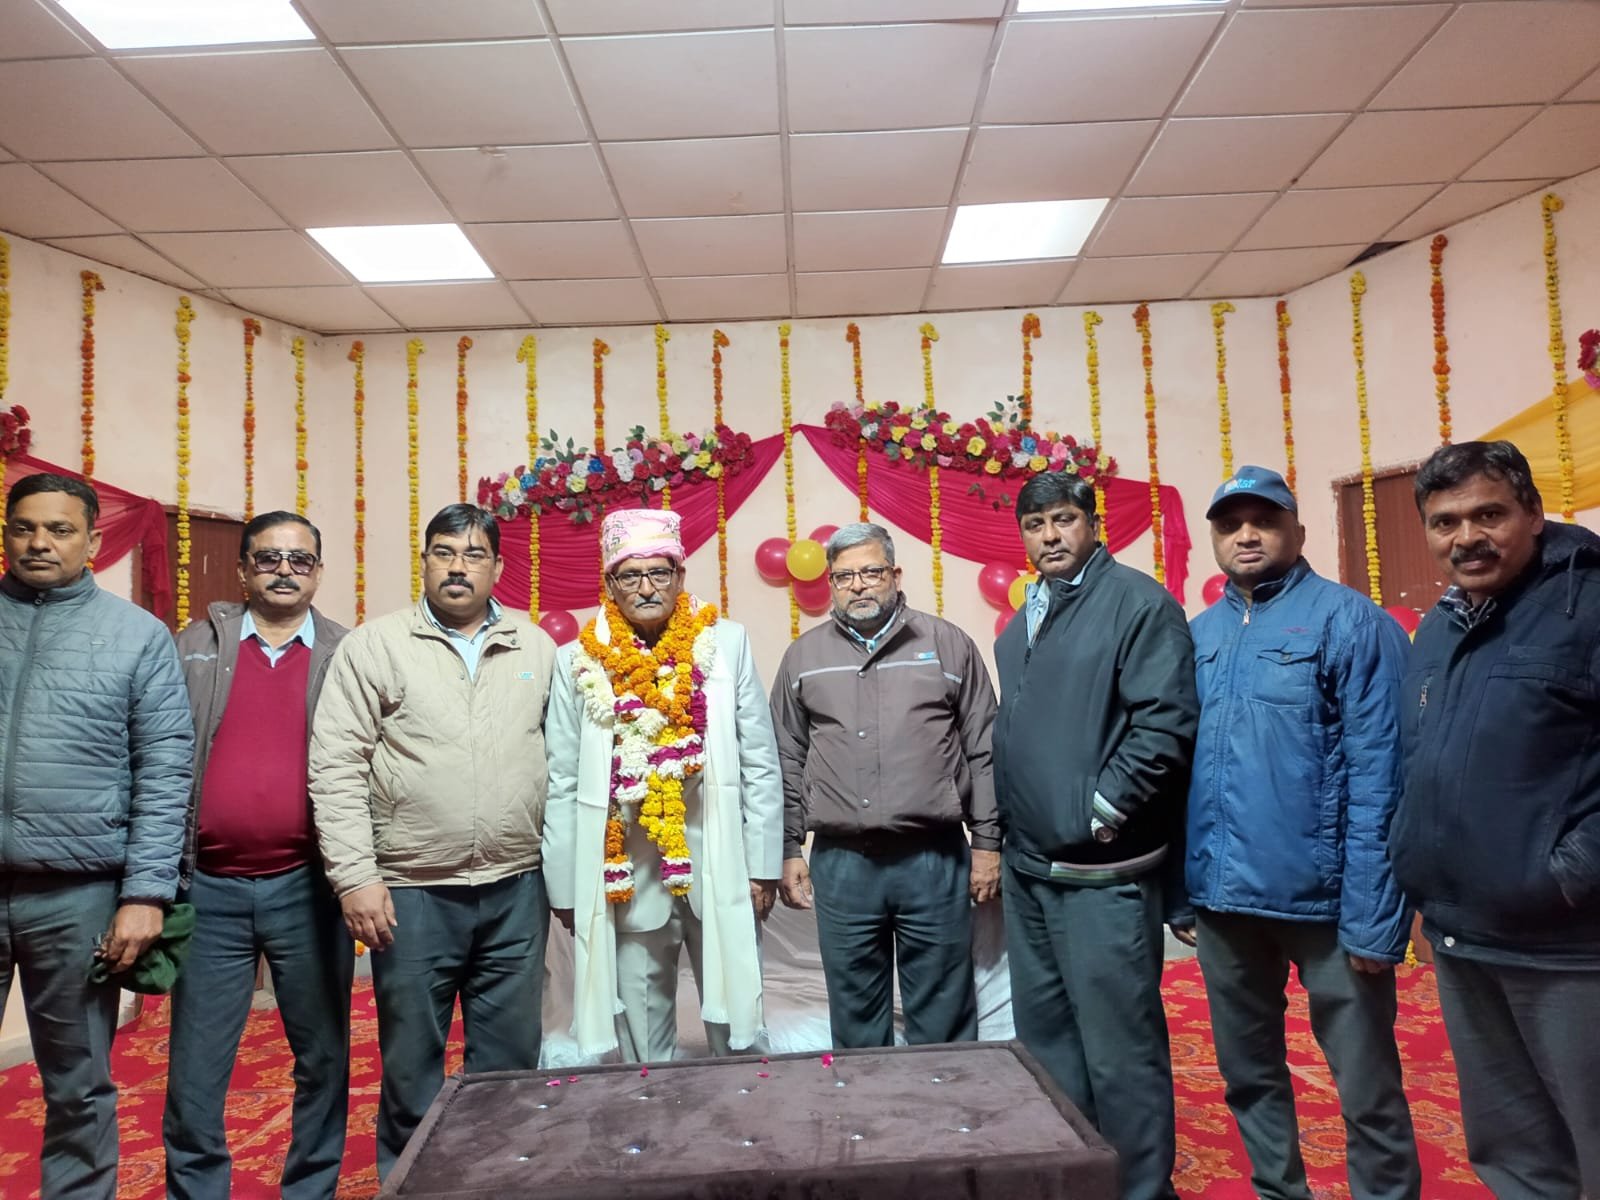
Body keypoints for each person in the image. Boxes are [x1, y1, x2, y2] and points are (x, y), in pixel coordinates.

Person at [1184, 466, 1421, 1200]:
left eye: (1265, 520)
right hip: (1224, 907)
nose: (1247, 535)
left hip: (1328, 908)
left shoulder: (1352, 622)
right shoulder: (1198, 636)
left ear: (1299, 530)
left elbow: (1384, 777)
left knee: (1367, 1089)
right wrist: (1183, 892)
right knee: (1248, 1078)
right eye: (1231, 524)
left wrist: (1375, 919)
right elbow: (1176, 771)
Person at [309, 503, 557, 1180]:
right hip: (412, 892)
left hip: (515, 888)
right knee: (412, 1067)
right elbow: (335, 766)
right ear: (424, 562)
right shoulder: (376, 646)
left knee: (510, 1065)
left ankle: (500, 1186)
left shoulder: (535, 647)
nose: (457, 567)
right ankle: (411, 1185)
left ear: (497, 567)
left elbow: (562, 762)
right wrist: (356, 877)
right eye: (443, 552)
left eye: (473, 555)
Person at [1392, 440, 1600, 1200]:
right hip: (1463, 937)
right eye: (1445, 522)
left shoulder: (1588, 607)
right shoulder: (1440, 627)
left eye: (1489, 515)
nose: (1466, 538)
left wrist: (1568, 873)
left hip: (1569, 948)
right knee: (1513, 1156)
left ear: (1534, 514)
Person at [992, 471, 1196, 1200]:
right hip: (1029, 870)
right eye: (1035, 524)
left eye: (1063, 519)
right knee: (1047, 1044)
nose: (1049, 536)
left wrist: (1100, 813)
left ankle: (1141, 1189)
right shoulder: (1025, 618)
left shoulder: (1137, 603)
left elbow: (1165, 724)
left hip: (1102, 875)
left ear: (1092, 524)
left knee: (1120, 1051)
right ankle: (1080, 1182)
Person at [0, 472, 192, 1199]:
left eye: (59, 529)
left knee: (78, 1086)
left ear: (92, 539)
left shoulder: (137, 636)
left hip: (78, 896)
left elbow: (166, 771)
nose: (39, 543)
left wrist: (146, 894)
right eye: (24, 528)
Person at [543, 508, 782, 1062]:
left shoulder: (726, 643)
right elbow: (562, 779)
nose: (647, 587)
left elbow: (759, 760)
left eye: (659, 572)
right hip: (628, 880)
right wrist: (565, 888)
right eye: (631, 575)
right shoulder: (578, 660)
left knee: (741, 1036)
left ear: (680, 576)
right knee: (644, 1054)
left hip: (720, 865)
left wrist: (762, 863)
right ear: (609, 584)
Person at [163, 511, 353, 1200]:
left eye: (300, 560)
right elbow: (156, 755)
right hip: (207, 890)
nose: (284, 571)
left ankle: (310, 1190)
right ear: (244, 569)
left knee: (323, 1059)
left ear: (318, 572)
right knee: (195, 1070)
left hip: (310, 890)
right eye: (268, 558)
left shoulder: (346, 653)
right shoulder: (193, 647)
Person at [769, 522, 998, 1047]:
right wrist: (788, 848)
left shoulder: (948, 645)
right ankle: (867, 1103)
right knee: (856, 1017)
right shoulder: (804, 657)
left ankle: (948, 1099)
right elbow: (786, 756)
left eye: (871, 572)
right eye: (844, 576)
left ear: (895, 575)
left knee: (943, 1012)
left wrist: (987, 843)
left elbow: (985, 749)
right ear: (831, 582)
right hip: (843, 863)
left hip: (934, 859)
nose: (858, 585)